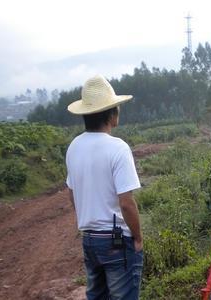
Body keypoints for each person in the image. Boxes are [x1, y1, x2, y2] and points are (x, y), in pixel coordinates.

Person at [66, 75, 143, 300]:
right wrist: (137, 238)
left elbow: (72, 192)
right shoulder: (118, 148)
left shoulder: (74, 147)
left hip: (89, 238)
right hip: (117, 240)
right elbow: (126, 203)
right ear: (111, 114)